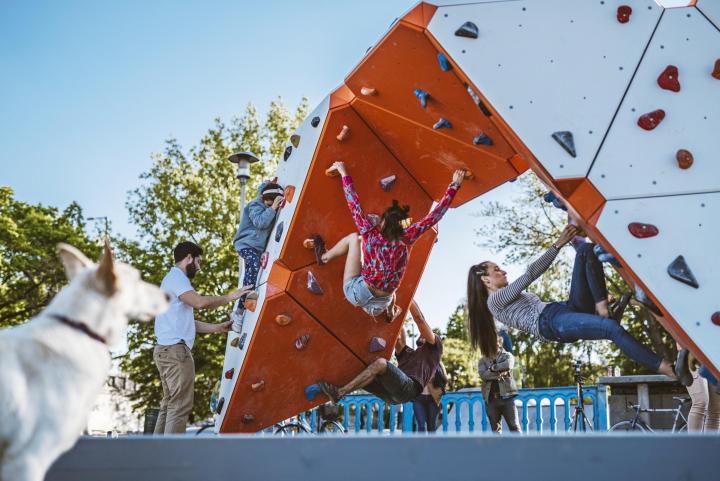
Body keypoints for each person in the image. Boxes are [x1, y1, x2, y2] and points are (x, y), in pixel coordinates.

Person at [466, 225, 675, 376]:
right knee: (612, 330)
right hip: (551, 324)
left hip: (562, 309)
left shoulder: (507, 297)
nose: (502, 271)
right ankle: (666, 368)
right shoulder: (494, 302)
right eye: (496, 270)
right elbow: (530, 275)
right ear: (486, 279)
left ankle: (601, 307)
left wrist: (596, 295)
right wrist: (558, 244)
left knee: (585, 250)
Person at [314, 161, 464, 321]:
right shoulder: (407, 237)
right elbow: (434, 216)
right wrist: (454, 185)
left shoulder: (369, 233)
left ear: (383, 223)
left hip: (358, 293)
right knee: (390, 278)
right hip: (379, 306)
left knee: (353, 239)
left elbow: (353, 203)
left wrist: (344, 173)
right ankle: (391, 312)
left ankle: (324, 257)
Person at [153, 241, 250, 434]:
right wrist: (229, 298)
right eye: (198, 262)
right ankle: (171, 458)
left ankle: (157, 455)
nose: (199, 267)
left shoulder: (170, 281)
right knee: (179, 407)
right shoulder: (177, 278)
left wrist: (218, 328)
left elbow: (189, 324)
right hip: (176, 353)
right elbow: (198, 302)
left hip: (164, 351)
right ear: (189, 257)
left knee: (169, 405)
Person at [316, 300, 442, 405]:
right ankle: (325, 388)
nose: (423, 333)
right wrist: (395, 311)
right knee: (358, 369)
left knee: (381, 363)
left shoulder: (435, 347)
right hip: (393, 396)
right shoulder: (409, 354)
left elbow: (419, 319)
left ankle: (340, 393)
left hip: (409, 389)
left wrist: (408, 297)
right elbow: (398, 338)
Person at [231, 180, 284, 330]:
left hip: (256, 248)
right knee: (253, 264)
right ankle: (243, 304)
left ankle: (240, 309)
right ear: (264, 199)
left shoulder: (265, 199)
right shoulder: (254, 205)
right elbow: (260, 222)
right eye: (268, 204)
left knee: (251, 272)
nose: (270, 207)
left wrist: (269, 184)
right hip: (245, 244)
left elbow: (265, 189)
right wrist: (273, 208)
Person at [478, 335, 520, 433]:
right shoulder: (483, 360)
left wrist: (492, 369)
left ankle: (520, 448)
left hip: (507, 398)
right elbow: (483, 375)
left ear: (498, 343)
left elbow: (508, 365)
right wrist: (500, 372)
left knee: (515, 427)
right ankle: (498, 448)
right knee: (495, 430)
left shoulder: (508, 355)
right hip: (491, 400)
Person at [675, 343, 720, 432]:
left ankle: (710, 445)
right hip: (691, 353)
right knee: (701, 401)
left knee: (716, 409)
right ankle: (693, 444)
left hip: (714, 356)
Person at [412, 362, 447, 432]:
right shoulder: (415, 362)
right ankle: (422, 443)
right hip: (419, 398)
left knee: (431, 425)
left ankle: (431, 443)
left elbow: (444, 379)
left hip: (433, 398)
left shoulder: (437, 363)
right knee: (421, 425)